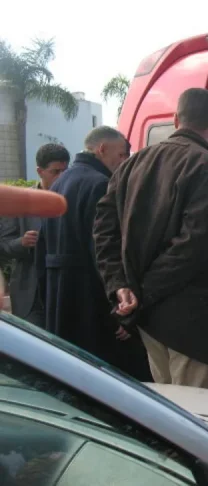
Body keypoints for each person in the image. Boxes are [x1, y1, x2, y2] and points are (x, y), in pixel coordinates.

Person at [94, 88, 208, 388]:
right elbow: (194, 247)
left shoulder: (130, 166)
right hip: (192, 322)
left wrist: (121, 286)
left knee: (167, 415)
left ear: (176, 120)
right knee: (198, 421)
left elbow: (103, 231)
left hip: (149, 321)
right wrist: (141, 292)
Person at [37, 127, 151, 381]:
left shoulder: (59, 184)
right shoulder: (100, 185)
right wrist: (119, 312)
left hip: (61, 303)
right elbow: (103, 252)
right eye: (121, 154)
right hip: (91, 308)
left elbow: (42, 252)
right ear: (102, 149)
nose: (124, 162)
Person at [0, 144, 69, 327]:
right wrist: (21, 243)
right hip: (30, 293)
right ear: (40, 171)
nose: (61, 177)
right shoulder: (20, 202)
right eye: (55, 171)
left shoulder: (72, 200)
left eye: (65, 171)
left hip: (65, 291)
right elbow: (4, 245)